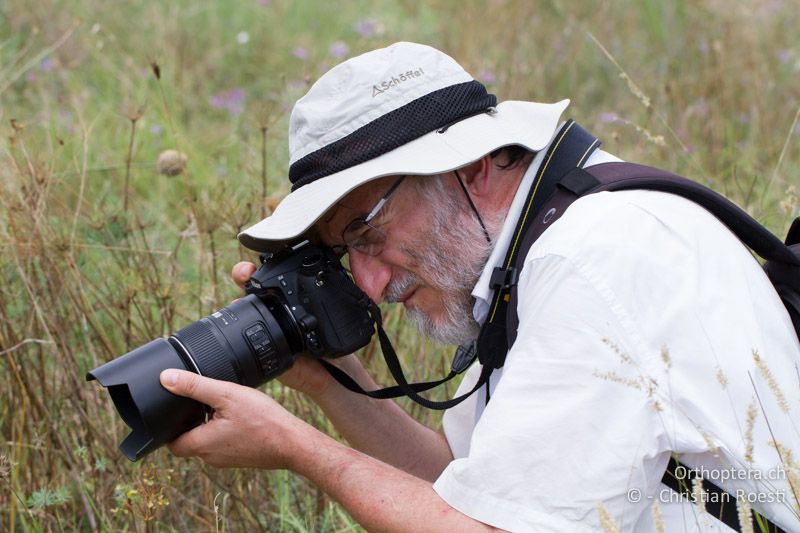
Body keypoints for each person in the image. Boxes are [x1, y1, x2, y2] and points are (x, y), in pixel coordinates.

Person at [158, 42, 800, 531]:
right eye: (342, 251)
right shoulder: (524, 259)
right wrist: (330, 381)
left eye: (365, 233)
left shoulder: (590, 259)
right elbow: (463, 492)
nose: (370, 283)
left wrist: (298, 448)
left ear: (469, 168)